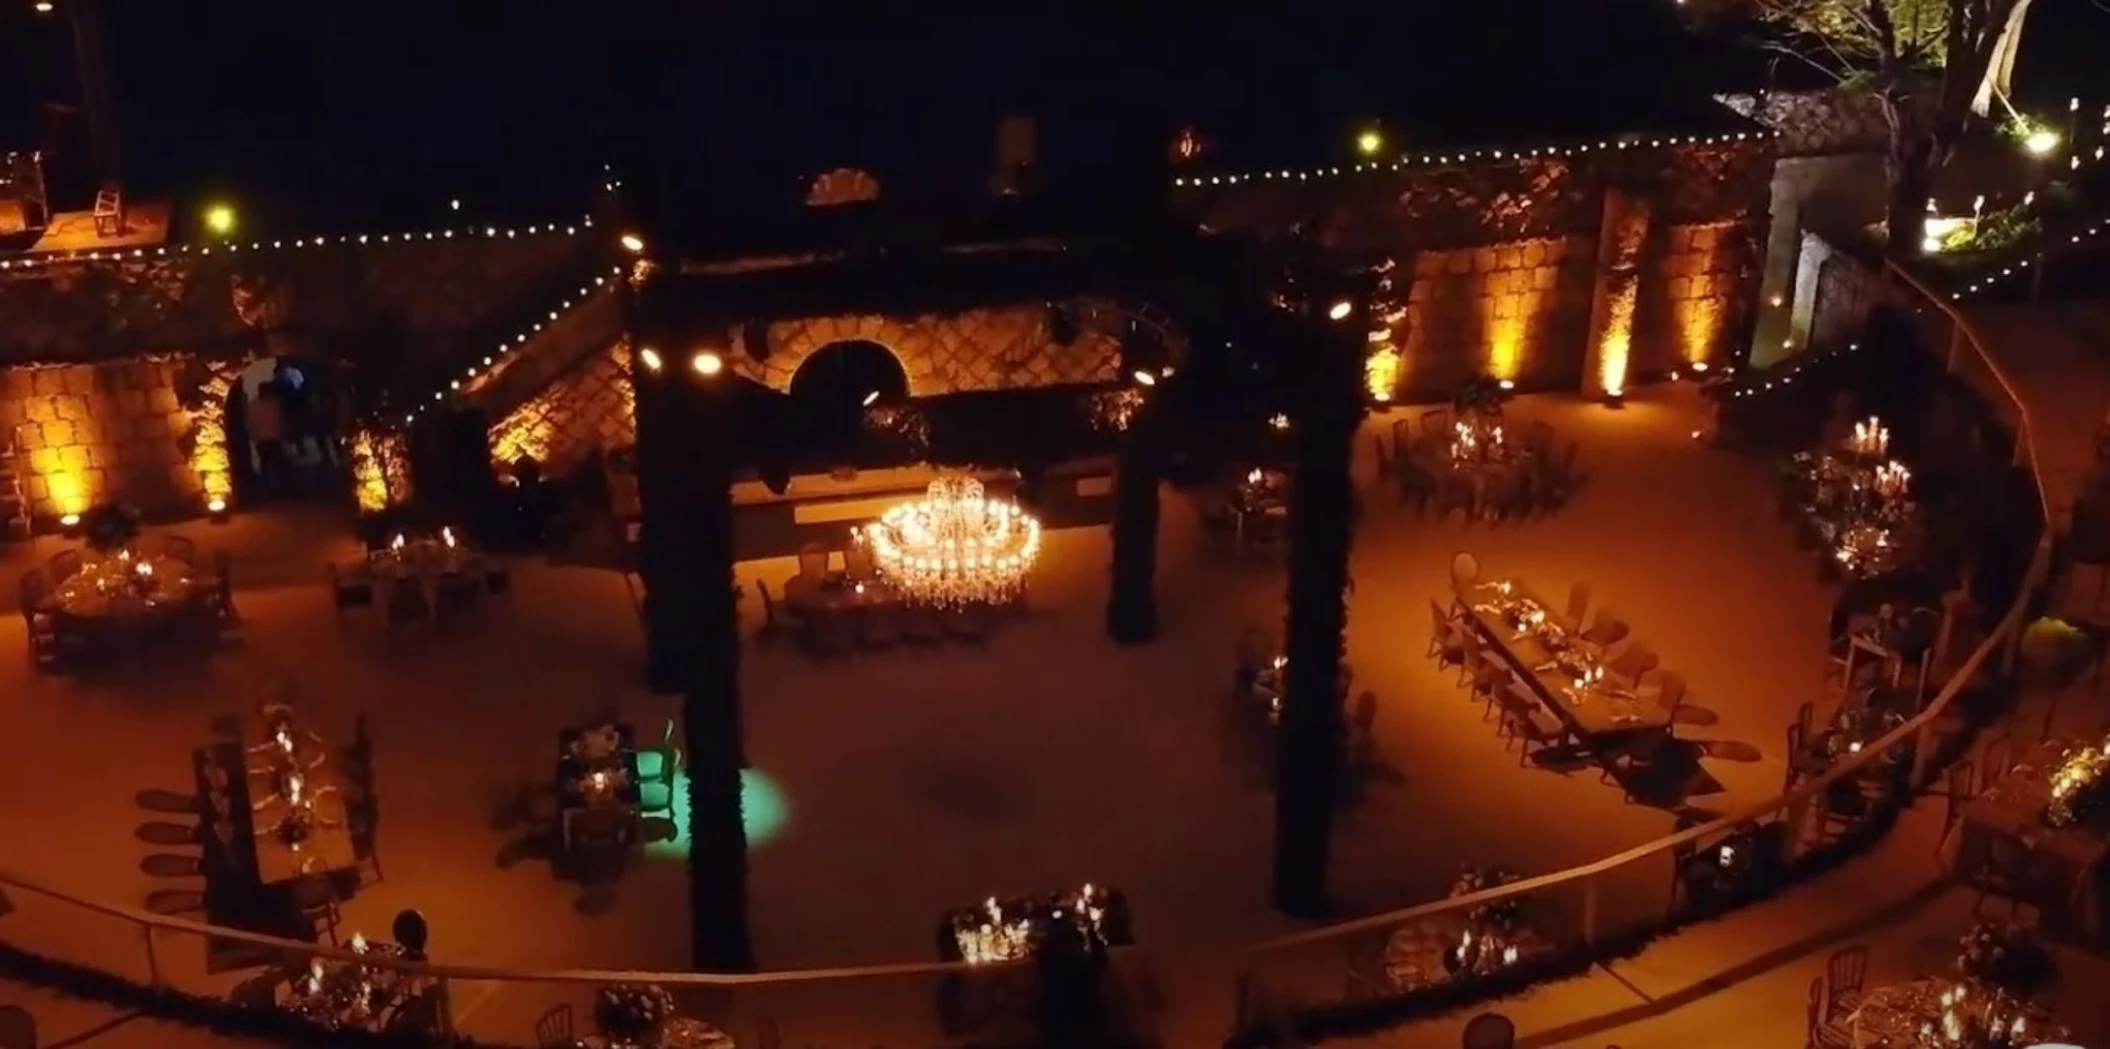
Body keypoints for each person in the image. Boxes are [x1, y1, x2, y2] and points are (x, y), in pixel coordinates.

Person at [246, 380, 286, 494]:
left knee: (267, 462)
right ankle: (277, 484)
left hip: (264, 438)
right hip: (272, 437)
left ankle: (268, 485)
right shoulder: (275, 403)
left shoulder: (254, 405)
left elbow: (250, 422)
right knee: (275, 461)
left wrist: (252, 435)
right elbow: (280, 419)